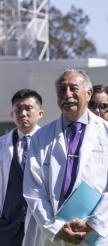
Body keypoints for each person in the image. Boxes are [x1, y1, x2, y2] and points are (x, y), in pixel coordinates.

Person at [23, 69, 108, 245]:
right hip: (56, 233)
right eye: (62, 90)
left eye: (73, 88)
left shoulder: (105, 132)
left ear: (89, 93)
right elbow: (33, 189)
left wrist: (93, 224)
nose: (67, 94)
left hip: (97, 234)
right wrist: (56, 228)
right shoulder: (41, 137)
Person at [0, 89, 44, 246]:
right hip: (8, 226)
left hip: (39, 222)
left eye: (28, 108)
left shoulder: (49, 142)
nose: (23, 113)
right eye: (18, 109)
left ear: (40, 113)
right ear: (12, 115)